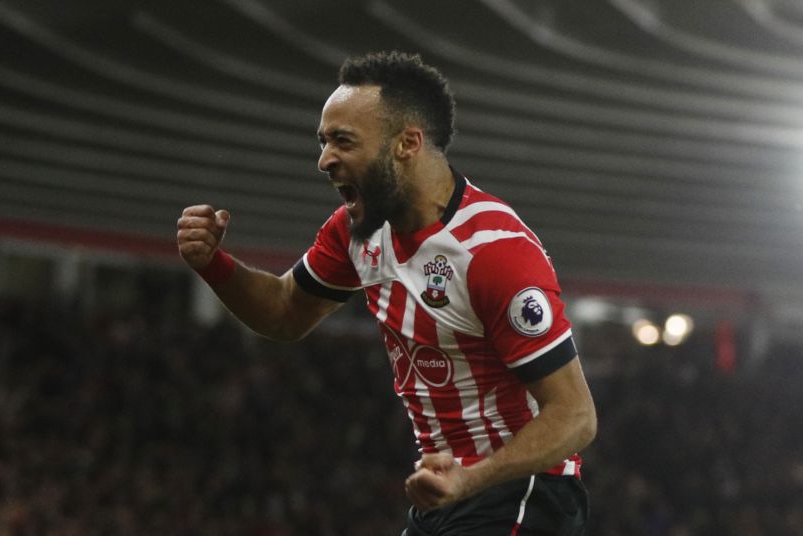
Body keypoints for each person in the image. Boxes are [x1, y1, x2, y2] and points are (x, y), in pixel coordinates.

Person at [177, 51, 596, 535]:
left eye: (342, 141)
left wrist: (471, 478)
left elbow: (575, 415)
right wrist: (213, 264)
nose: (324, 160)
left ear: (407, 143)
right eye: (323, 141)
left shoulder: (493, 252)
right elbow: (284, 311)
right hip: (444, 493)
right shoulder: (358, 230)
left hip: (524, 494)